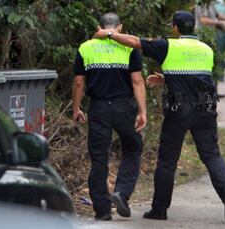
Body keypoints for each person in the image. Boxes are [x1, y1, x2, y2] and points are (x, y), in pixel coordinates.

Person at [94, 10, 225, 223]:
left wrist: (108, 34)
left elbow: (135, 42)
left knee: (167, 161)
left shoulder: (168, 45)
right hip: (206, 110)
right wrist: (166, 78)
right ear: (194, 28)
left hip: (179, 110)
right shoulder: (206, 49)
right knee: (211, 154)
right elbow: (196, 77)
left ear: (175, 28)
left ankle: (159, 209)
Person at [72, 13, 147, 221]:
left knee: (99, 159)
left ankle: (102, 211)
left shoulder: (86, 47)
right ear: (120, 27)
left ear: (99, 27)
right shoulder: (129, 47)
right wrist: (142, 111)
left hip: (98, 109)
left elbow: (79, 82)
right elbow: (138, 81)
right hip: (124, 107)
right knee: (133, 148)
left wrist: (76, 109)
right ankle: (121, 192)